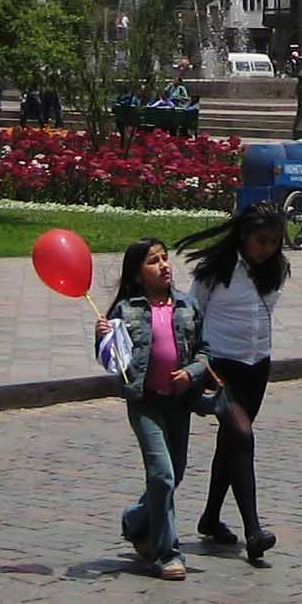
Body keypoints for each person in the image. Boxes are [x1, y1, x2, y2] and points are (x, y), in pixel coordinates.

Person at [96, 237, 214, 579]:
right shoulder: (125, 310)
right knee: (161, 474)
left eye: (165, 259)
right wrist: (102, 336)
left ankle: (135, 520)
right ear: (137, 274)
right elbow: (112, 360)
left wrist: (191, 374)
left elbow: (205, 352)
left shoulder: (187, 306)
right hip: (145, 403)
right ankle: (167, 554)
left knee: (173, 474)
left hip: (179, 403)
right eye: (153, 261)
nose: (163, 265)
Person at [181, 202, 291, 562]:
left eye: (275, 242)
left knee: (231, 444)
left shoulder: (275, 269)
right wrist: (193, 365)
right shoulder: (216, 270)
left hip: (256, 364)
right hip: (219, 364)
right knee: (242, 436)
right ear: (243, 236)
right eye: (262, 241)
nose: (268, 249)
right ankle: (253, 530)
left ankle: (211, 517)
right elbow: (192, 315)